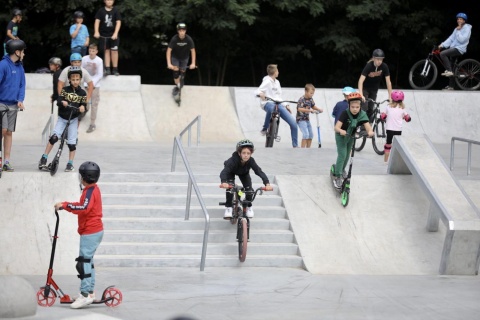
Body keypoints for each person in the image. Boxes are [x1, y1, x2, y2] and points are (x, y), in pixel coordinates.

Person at [54, 161, 103, 309]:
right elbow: (84, 206)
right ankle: (90, 292)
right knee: (88, 262)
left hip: (91, 231)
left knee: (83, 263)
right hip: (94, 231)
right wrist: (66, 204)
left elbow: (83, 208)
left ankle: (85, 295)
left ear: (84, 177)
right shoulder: (93, 189)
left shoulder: (89, 191)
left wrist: (65, 205)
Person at [38, 67, 87, 172]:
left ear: (80, 80)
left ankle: (70, 164)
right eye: (73, 79)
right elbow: (58, 101)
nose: (75, 81)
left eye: (77, 79)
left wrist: (83, 107)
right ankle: (44, 157)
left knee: (72, 143)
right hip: (63, 118)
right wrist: (62, 102)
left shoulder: (82, 93)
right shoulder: (65, 90)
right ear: (69, 80)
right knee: (54, 138)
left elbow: (84, 105)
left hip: (73, 119)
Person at [220, 139, 273, 219]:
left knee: (249, 191)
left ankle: (248, 206)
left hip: (244, 173)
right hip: (231, 172)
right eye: (244, 153)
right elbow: (224, 172)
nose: (246, 155)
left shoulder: (251, 161)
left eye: (248, 153)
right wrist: (224, 182)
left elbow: (259, 171)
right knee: (230, 188)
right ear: (239, 153)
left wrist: (267, 183)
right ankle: (229, 208)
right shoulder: (233, 160)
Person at [333, 92, 373, 189]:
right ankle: (337, 176)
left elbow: (368, 127)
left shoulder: (362, 114)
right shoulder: (345, 113)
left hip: (351, 136)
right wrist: (341, 131)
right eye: (352, 107)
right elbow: (336, 127)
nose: (355, 109)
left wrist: (370, 132)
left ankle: (342, 170)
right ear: (349, 106)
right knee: (342, 154)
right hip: (341, 136)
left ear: (360, 106)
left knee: (347, 155)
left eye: (357, 107)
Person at [255, 64, 299, 148]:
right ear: (275, 72)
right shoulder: (267, 81)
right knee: (271, 108)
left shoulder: (277, 82)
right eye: (277, 70)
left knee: (293, 124)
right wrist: (260, 93)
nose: (278, 72)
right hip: (268, 103)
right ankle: (265, 128)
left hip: (278, 104)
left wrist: (286, 105)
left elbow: (279, 97)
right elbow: (257, 90)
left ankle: (295, 146)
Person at [0, 39, 26, 173]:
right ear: (17, 52)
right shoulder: (3, 65)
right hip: (1, 103)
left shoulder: (20, 67)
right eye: (22, 51)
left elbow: (22, 85)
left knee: (9, 132)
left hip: (13, 104)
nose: (24, 54)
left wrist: (20, 99)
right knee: (3, 130)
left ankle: (6, 161)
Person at [439, 13, 472, 90]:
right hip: (454, 48)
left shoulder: (467, 28)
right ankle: (451, 86)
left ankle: (449, 70)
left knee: (443, 54)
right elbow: (451, 39)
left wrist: (459, 30)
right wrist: (442, 45)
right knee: (452, 66)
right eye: (458, 19)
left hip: (460, 49)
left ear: (464, 21)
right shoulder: (456, 29)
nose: (458, 20)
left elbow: (462, 40)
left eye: (460, 19)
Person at [358, 49, 393, 122]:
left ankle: (369, 126)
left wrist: (390, 96)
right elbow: (360, 81)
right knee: (364, 106)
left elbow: (388, 82)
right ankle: (362, 128)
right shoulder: (369, 66)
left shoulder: (384, 66)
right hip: (365, 89)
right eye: (378, 59)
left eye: (381, 59)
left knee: (371, 108)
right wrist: (361, 94)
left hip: (374, 89)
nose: (379, 61)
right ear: (373, 58)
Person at [57, 53, 94, 122]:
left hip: (79, 96)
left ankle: (75, 129)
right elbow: (60, 84)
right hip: (68, 95)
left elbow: (91, 85)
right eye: (75, 62)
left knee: (77, 118)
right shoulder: (66, 71)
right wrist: (61, 97)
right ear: (71, 62)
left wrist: (87, 98)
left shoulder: (83, 71)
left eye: (78, 62)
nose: (77, 64)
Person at [380, 90, 411, 163]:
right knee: (397, 145)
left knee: (388, 145)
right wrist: (405, 117)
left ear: (392, 98)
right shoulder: (402, 108)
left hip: (389, 129)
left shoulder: (388, 107)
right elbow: (408, 118)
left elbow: (383, 116)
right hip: (398, 130)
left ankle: (385, 161)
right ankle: (396, 162)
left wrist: (382, 116)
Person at [166, 22, 196, 95]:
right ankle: (177, 86)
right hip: (175, 57)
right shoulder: (174, 39)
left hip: (184, 58)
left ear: (185, 31)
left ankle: (180, 82)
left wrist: (193, 63)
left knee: (182, 71)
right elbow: (168, 51)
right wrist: (169, 63)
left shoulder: (189, 39)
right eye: (180, 31)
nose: (182, 32)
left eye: (183, 31)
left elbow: (193, 51)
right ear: (178, 31)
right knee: (176, 70)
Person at [94, 0, 122, 76]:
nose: (109, 2)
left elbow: (118, 22)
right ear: (104, 1)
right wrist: (96, 31)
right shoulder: (101, 10)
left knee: (114, 51)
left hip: (113, 35)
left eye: (111, 0)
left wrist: (115, 33)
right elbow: (97, 21)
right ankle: (107, 68)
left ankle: (115, 69)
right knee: (106, 51)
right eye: (108, 0)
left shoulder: (115, 10)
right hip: (104, 35)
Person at [82, 43, 104, 133]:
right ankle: (84, 111)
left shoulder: (99, 60)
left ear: (96, 51)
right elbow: (81, 70)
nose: (91, 53)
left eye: (93, 51)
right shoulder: (84, 59)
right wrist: (85, 82)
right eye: (90, 51)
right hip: (85, 83)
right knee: (84, 101)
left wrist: (92, 83)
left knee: (94, 104)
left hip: (95, 85)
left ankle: (92, 123)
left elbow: (100, 74)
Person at [296, 84, 323, 148]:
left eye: (313, 93)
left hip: (307, 119)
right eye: (311, 93)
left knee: (310, 135)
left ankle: (308, 149)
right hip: (301, 119)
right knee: (306, 134)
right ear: (306, 91)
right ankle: (302, 149)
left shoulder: (311, 99)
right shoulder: (301, 99)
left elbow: (313, 106)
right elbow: (299, 108)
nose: (312, 95)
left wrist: (319, 109)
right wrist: (309, 110)